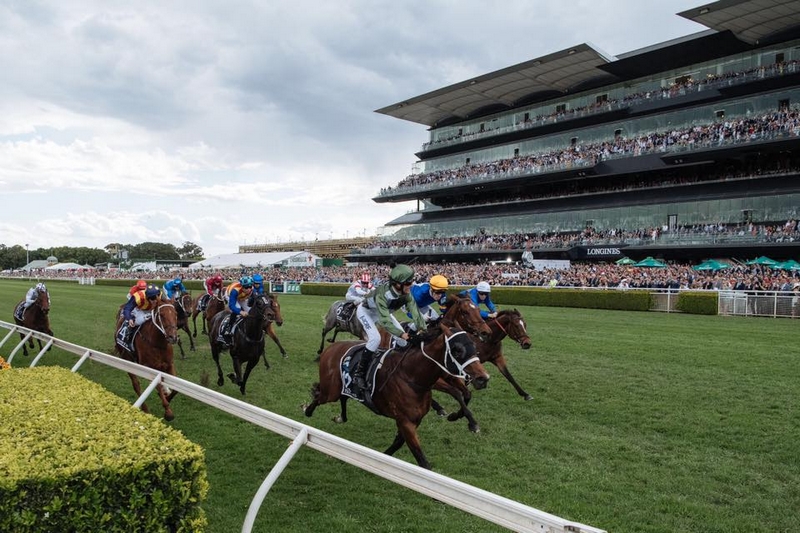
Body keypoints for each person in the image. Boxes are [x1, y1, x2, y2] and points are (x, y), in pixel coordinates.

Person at [352, 264, 426, 390]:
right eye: (409, 283)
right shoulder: (383, 294)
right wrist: (405, 335)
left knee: (402, 342)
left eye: (412, 281)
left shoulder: (406, 294)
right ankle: (359, 374)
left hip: (383, 312)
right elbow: (385, 322)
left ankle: (398, 365)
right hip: (366, 312)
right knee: (375, 339)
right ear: (397, 284)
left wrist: (423, 330)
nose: (412, 285)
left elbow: (416, 313)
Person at [221, 276, 254, 343]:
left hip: (242, 296)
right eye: (246, 287)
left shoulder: (252, 289)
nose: (248, 289)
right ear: (242, 286)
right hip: (230, 295)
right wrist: (240, 312)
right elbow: (232, 306)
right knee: (237, 308)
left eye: (250, 287)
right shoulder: (235, 290)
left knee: (250, 311)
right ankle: (229, 328)